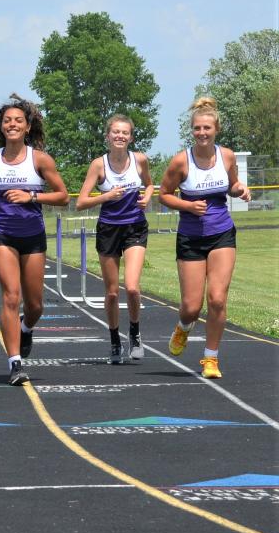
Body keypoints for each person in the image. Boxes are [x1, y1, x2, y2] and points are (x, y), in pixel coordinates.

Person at [0, 95, 69, 386]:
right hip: (3, 234)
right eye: (7, 121)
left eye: (18, 120)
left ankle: (26, 328)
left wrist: (31, 196)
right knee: (10, 296)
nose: (12, 125)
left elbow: (63, 196)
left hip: (33, 236)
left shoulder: (40, 160)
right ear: (1, 127)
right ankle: (15, 363)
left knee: (35, 305)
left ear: (27, 127)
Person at [159, 97, 250, 379]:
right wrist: (187, 205)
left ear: (216, 129)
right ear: (192, 130)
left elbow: (232, 184)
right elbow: (163, 195)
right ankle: (183, 327)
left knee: (218, 299)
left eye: (207, 128)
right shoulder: (180, 161)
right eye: (197, 128)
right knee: (191, 306)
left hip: (222, 233)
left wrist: (240, 189)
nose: (202, 133)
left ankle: (210, 358)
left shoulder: (227, 156)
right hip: (191, 237)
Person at [76, 115, 154, 364]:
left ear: (131, 137)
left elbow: (151, 185)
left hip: (134, 227)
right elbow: (81, 202)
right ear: (108, 136)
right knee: (111, 293)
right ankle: (114, 341)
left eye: (125, 133)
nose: (120, 136)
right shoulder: (99, 165)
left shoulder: (139, 159)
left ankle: (134, 332)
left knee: (131, 287)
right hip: (109, 229)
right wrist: (106, 196)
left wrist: (148, 196)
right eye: (116, 132)